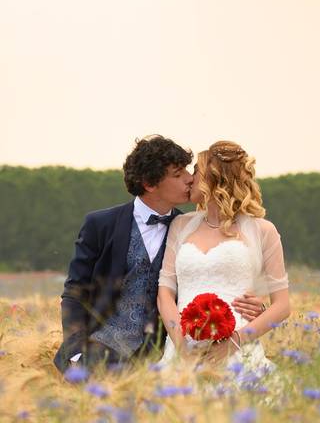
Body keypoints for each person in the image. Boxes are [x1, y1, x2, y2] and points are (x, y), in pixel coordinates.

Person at [54, 135, 267, 373]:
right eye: (178, 174)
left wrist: (255, 310)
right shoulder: (100, 224)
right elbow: (74, 292)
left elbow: (211, 277)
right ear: (149, 183)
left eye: (188, 170)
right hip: (99, 350)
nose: (190, 179)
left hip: (160, 358)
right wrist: (75, 351)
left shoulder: (190, 227)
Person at [157, 140, 291, 371]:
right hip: (182, 346)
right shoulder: (180, 225)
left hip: (237, 348)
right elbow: (165, 292)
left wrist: (233, 343)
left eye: (197, 171)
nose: (190, 178)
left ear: (214, 178)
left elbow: (282, 306)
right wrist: (181, 347)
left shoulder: (262, 230)